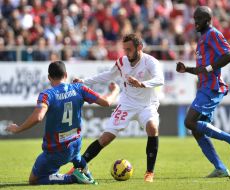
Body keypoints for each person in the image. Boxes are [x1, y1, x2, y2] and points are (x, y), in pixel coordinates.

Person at [70, 33, 164, 182]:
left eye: (129, 49)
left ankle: (149, 173)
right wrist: (83, 81)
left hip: (147, 105)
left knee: (152, 128)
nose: (126, 53)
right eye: (124, 49)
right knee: (106, 137)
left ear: (140, 47)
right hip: (127, 104)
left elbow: (160, 79)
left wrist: (142, 84)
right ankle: (78, 166)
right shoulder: (122, 62)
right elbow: (108, 75)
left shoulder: (150, 62)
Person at [6, 61, 119, 185]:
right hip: (76, 144)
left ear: (49, 77)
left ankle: (73, 178)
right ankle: (85, 172)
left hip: (56, 150)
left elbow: (38, 117)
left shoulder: (47, 95)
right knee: (76, 157)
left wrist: (18, 129)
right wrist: (115, 90)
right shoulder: (80, 88)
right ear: (66, 74)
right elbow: (107, 102)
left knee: (34, 180)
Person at [176, 6, 230, 178]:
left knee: (189, 122)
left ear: (207, 20)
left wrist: (209, 68)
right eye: (194, 19)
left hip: (212, 88)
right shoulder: (202, 40)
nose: (195, 23)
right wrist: (187, 70)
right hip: (205, 87)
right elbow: (203, 69)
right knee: (197, 130)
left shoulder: (213, 34)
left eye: (198, 19)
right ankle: (220, 168)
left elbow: (229, 55)